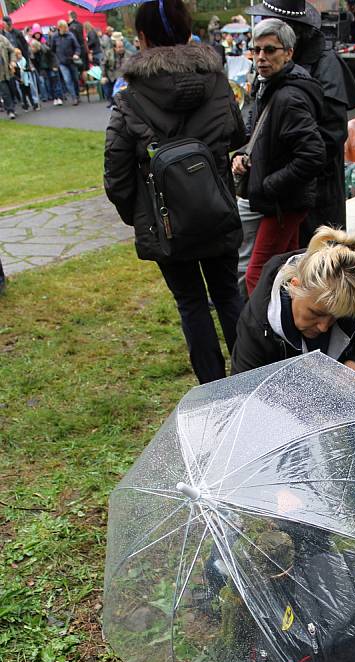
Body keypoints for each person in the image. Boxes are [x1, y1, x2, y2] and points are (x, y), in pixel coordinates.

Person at [104, 0, 246, 385]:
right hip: (216, 207)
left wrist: (142, 215)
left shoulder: (129, 96)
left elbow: (116, 172)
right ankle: (248, 381)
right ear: (187, 33)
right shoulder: (216, 81)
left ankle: (214, 391)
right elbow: (237, 133)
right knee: (228, 295)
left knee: (192, 304)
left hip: (166, 220)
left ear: (142, 37)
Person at [247, 0, 355, 242]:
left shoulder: (325, 63)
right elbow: (257, 119)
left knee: (316, 259)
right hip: (279, 189)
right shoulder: (270, 62)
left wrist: (287, 174)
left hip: (315, 187)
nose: (261, 54)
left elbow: (330, 136)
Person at [231, 225, 355, 377]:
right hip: (280, 399)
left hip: (339, 388)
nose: (323, 327)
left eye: (334, 317)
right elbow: (243, 387)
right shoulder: (257, 324)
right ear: (294, 287)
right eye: (315, 313)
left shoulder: (353, 302)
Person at [232, 18, 326, 296]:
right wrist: (242, 154)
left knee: (258, 276)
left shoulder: (289, 96)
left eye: (270, 50)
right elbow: (261, 137)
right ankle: (288, 330)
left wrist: (269, 184)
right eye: (256, 50)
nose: (261, 57)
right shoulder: (271, 86)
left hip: (283, 202)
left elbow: (313, 155)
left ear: (289, 53)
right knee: (287, 271)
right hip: (283, 200)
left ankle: (263, 336)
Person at [51, 20, 81, 105]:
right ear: (60, 27)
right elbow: (52, 49)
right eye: (65, 27)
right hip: (62, 62)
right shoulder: (54, 37)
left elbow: (77, 47)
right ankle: (74, 97)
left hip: (72, 61)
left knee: (75, 79)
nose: (66, 29)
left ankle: (77, 95)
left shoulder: (71, 35)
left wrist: (76, 54)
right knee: (67, 80)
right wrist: (56, 60)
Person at [102, 37, 127, 106]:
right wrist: (103, 76)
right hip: (111, 75)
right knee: (107, 91)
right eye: (119, 47)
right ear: (115, 48)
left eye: (122, 47)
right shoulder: (108, 53)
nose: (121, 49)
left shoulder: (128, 54)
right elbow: (103, 64)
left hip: (122, 76)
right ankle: (112, 101)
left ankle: (118, 104)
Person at [0, 28, 16, 119]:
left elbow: (12, 51)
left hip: (8, 70)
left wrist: (13, 61)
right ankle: (10, 110)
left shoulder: (3, 39)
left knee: (12, 89)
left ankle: (12, 106)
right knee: (5, 92)